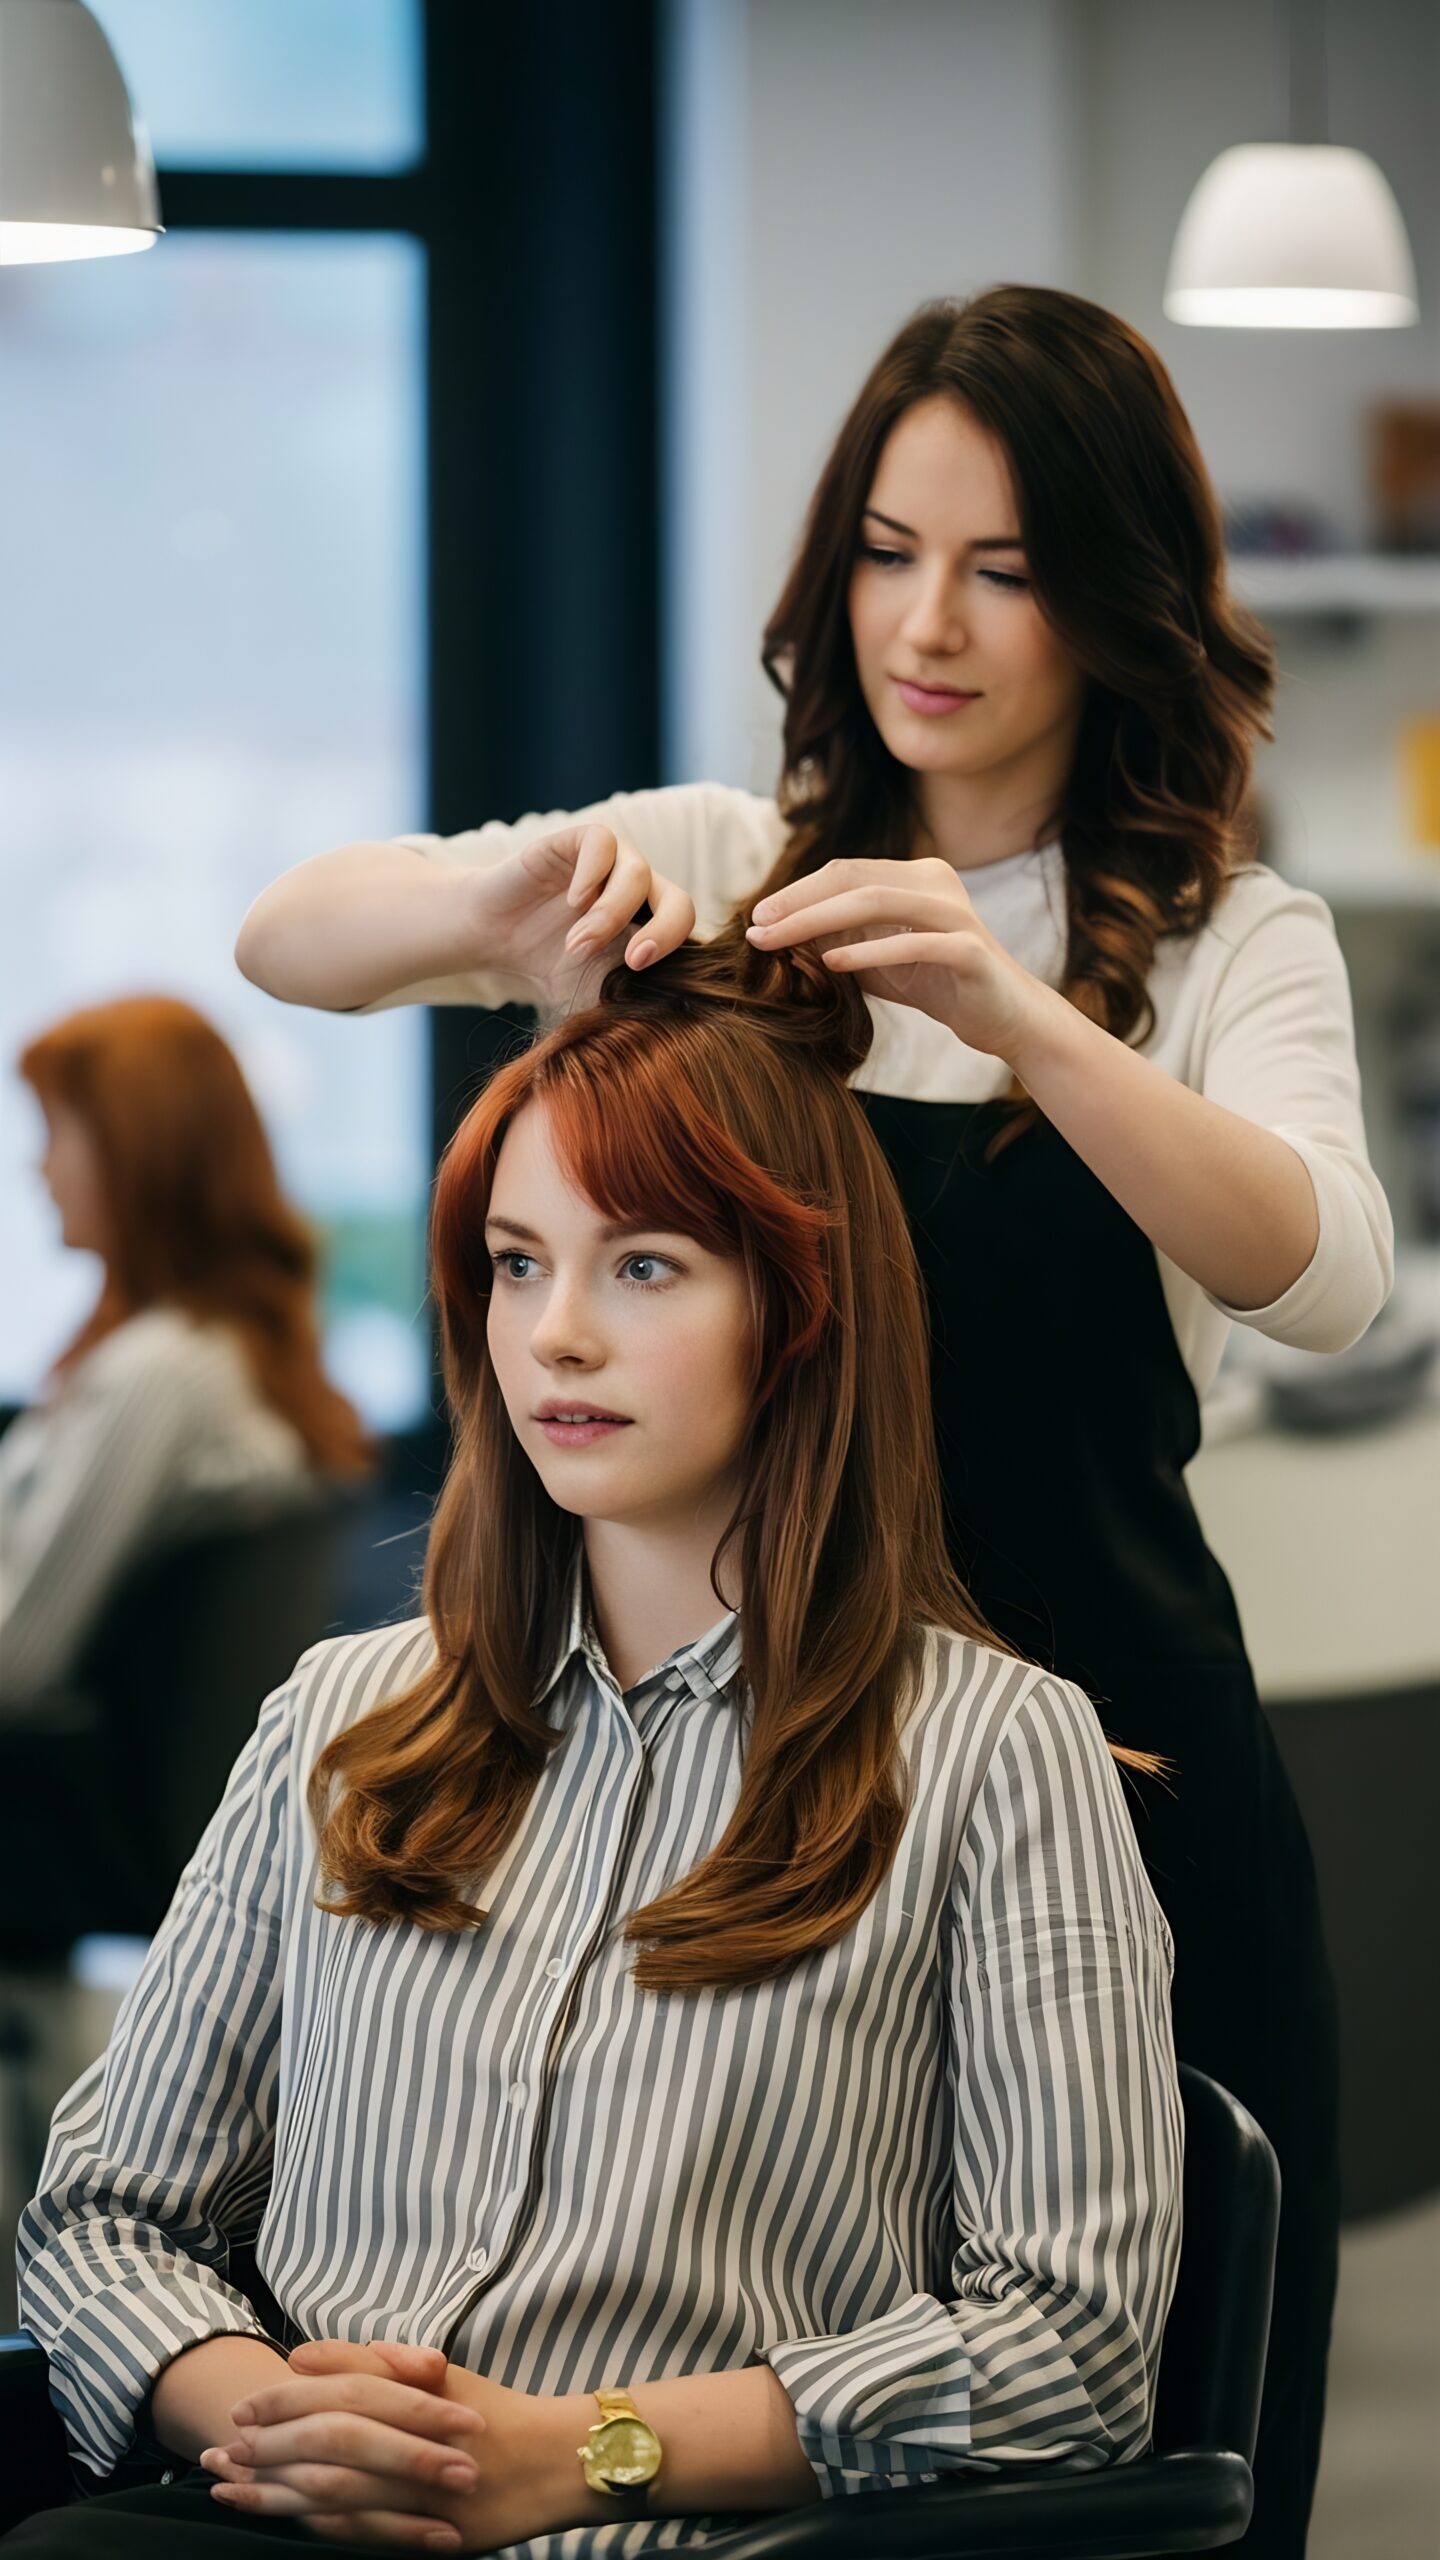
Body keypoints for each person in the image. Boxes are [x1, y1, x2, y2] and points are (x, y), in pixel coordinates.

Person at [235, 285, 1392, 2559]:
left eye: (1000, 564)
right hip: (769, 1825)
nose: (923, 623)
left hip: (1121, 1796)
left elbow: (1322, 1279)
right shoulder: (729, 860)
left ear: (1113, 596)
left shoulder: (1224, 940)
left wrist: (1019, 1009)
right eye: (880, 549)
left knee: (1125, 2447)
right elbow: (293, 934)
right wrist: (514, 900)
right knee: (767, 2447)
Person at [12, 940, 1182, 2558]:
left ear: (801, 1305)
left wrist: (585, 2453)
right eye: (514, 1261)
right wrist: (270, 2412)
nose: (556, 1333)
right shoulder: (340, 1722)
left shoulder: (998, 1755)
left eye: (644, 1266)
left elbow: (1077, 2345)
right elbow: (101, 2213)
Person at [1, 994, 371, 1707]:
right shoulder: (226, 1347)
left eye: (54, 1132)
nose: (37, 1169)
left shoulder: (161, 1371)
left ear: (133, 1149)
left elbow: (17, 1661)